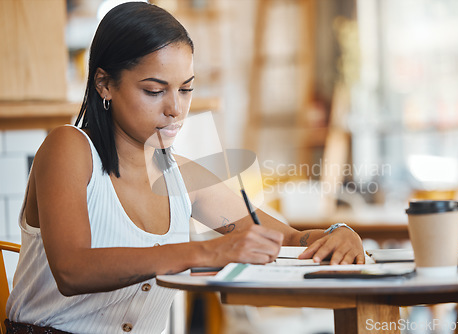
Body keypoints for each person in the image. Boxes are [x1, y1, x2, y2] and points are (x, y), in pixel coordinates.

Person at [5, 2, 364, 333]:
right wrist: (204, 251)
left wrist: (337, 232)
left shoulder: (183, 176)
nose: (176, 109)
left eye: (186, 89)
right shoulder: (69, 149)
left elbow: (284, 240)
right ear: (104, 84)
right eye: (154, 90)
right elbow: (72, 269)